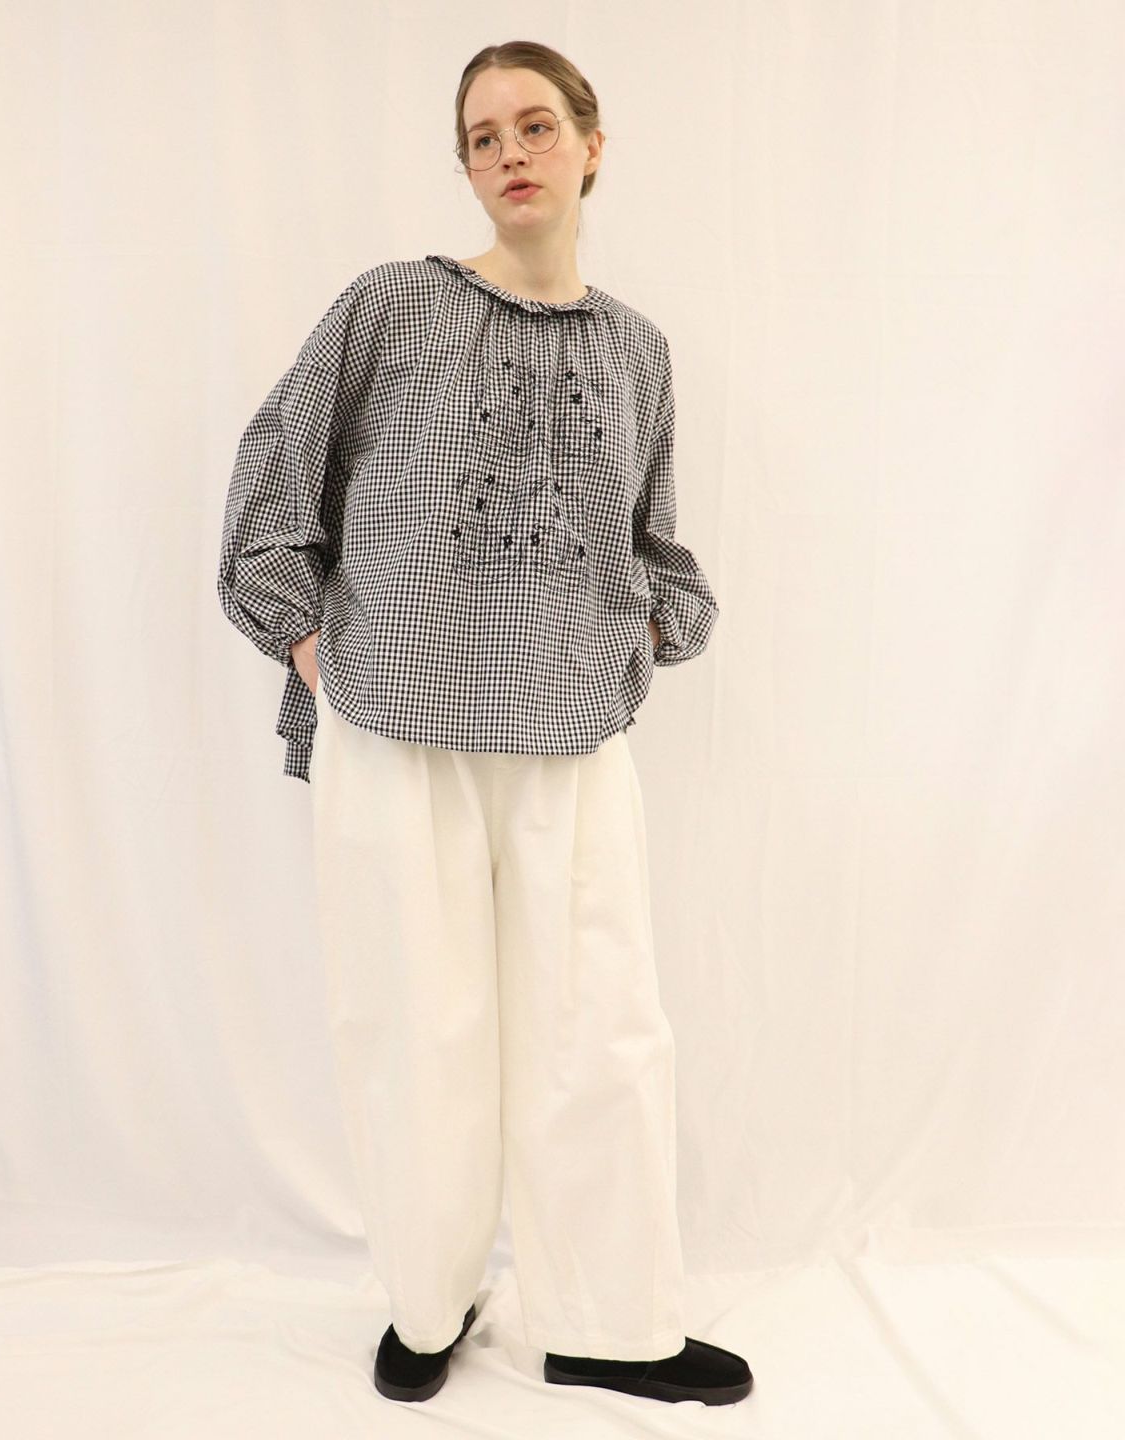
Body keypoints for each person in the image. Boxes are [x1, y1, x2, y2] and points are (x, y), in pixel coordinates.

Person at [217, 39, 753, 1410]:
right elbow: (277, 470)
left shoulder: (636, 349)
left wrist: (648, 629)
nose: (509, 152)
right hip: (396, 721)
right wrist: (304, 635)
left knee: (603, 1027)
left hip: (571, 730)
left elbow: (652, 540)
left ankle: (610, 1325)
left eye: (535, 125)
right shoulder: (393, 305)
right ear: (465, 168)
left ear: (591, 144)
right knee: (417, 1023)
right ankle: (429, 1302)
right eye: (481, 137)